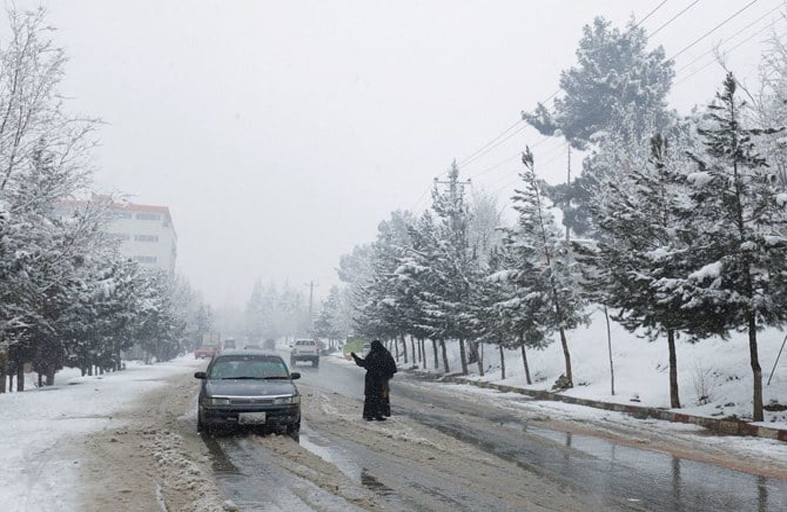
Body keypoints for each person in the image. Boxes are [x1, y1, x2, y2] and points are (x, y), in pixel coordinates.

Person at [351, 340, 397, 421]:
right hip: (381, 380)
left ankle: (369, 414)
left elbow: (364, 363)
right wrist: (386, 375)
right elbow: (392, 367)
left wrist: (355, 357)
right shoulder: (386, 354)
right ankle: (379, 414)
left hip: (371, 379)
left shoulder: (372, 355)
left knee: (370, 397)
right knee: (380, 397)